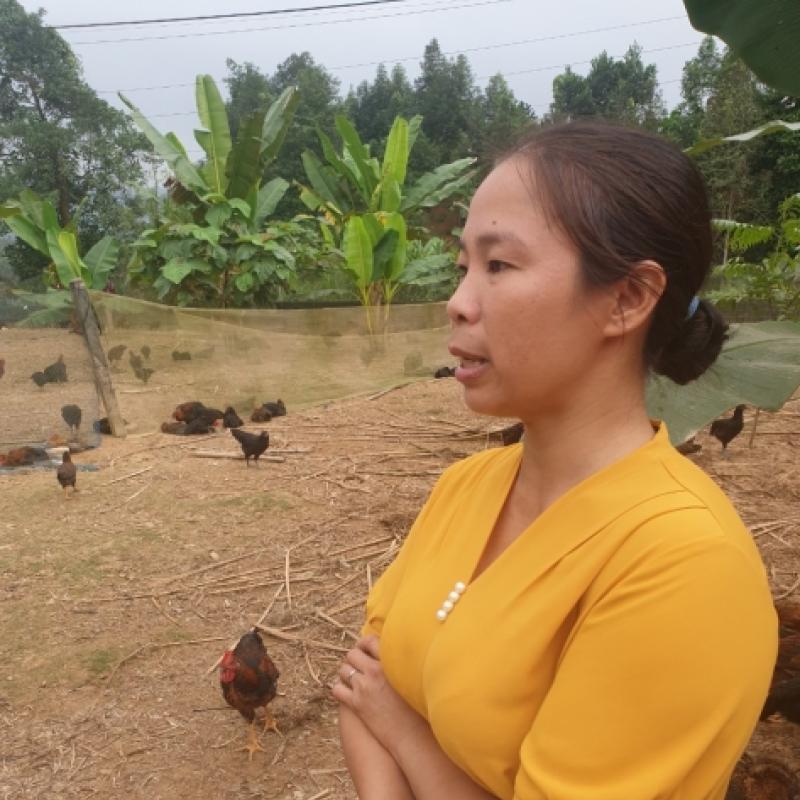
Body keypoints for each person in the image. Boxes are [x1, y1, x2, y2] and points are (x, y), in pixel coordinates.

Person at [332, 121, 778, 800]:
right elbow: (362, 680)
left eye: (499, 266)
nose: (457, 303)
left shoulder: (682, 561)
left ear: (628, 298)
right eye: (463, 268)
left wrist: (403, 728)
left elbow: (380, 703)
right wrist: (389, 726)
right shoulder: (466, 486)